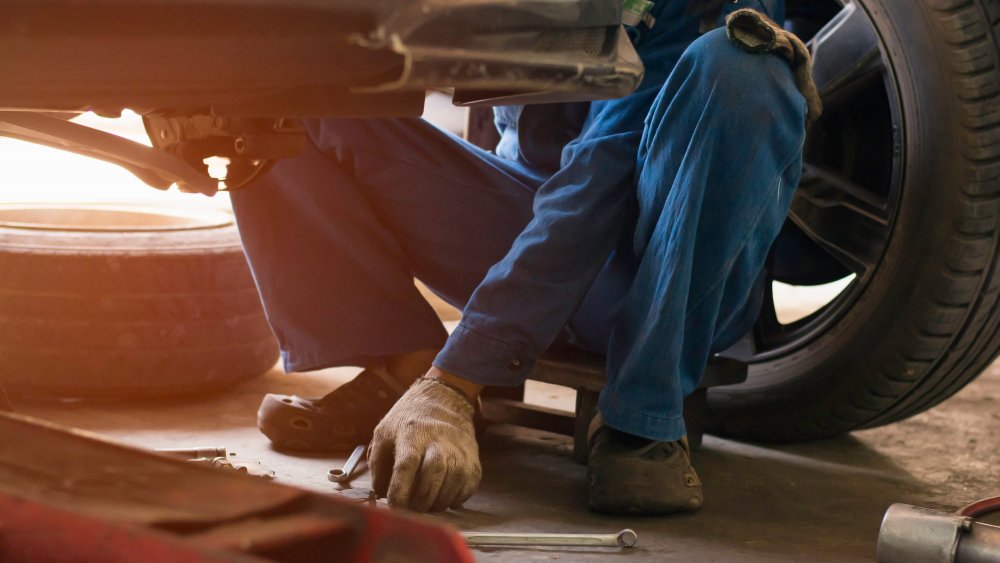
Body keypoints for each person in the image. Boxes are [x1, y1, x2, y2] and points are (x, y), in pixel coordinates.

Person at [231, 1, 818, 515]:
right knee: (275, 86)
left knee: (741, 70)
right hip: (534, 223)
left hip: (666, 266)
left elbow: (598, 179)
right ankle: (403, 366)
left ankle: (643, 421)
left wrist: (457, 381)